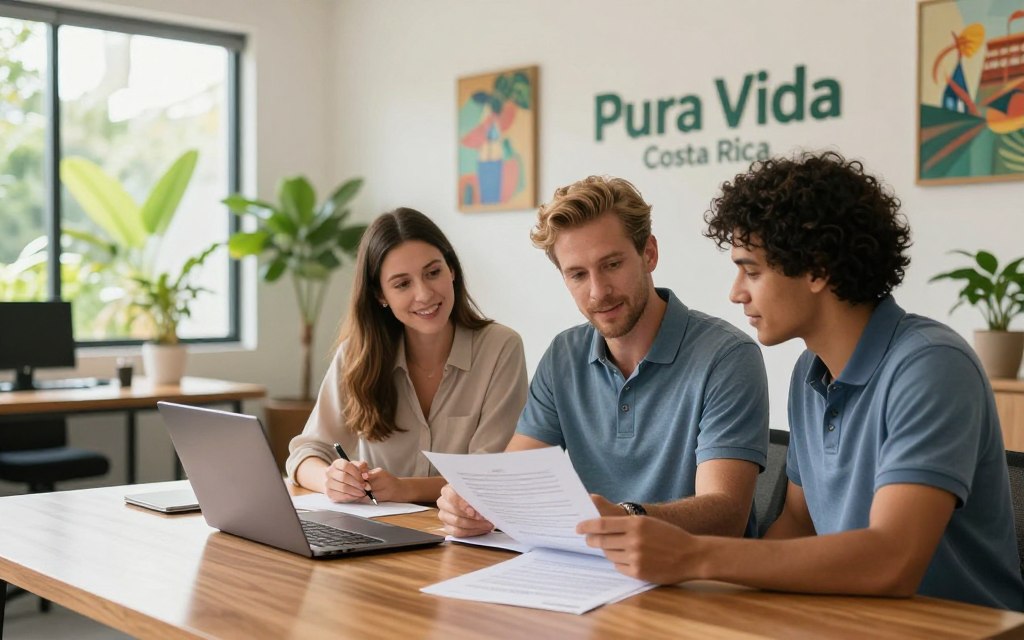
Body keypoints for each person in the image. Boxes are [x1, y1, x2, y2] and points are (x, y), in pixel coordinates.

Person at [578, 151, 1024, 611]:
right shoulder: (809, 372)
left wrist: (694, 554)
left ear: (817, 268)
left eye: (752, 270)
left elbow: (893, 558)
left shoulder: (931, 366)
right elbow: (796, 522)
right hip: (849, 621)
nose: (736, 292)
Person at [438, 176, 769, 538]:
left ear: (649, 253)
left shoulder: (727, 357)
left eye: (612, 265)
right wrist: (472, 503)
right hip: (590, 569)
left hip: (697, 581)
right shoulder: (563, 355)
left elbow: (727, 512)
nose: (598, 292)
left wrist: (626, 518)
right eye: (578, 274)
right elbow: (517, 476)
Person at [286, 208, 528, 504]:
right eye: (402, 284)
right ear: (380, 295)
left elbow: (492, 474)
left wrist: (405, 489)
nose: (424, 294)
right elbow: (304, 454)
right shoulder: (357, 354)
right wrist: (331, 480)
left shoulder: (500, 348)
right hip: (381, 534)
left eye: (433, 272)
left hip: (467, 535)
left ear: (451, 270)